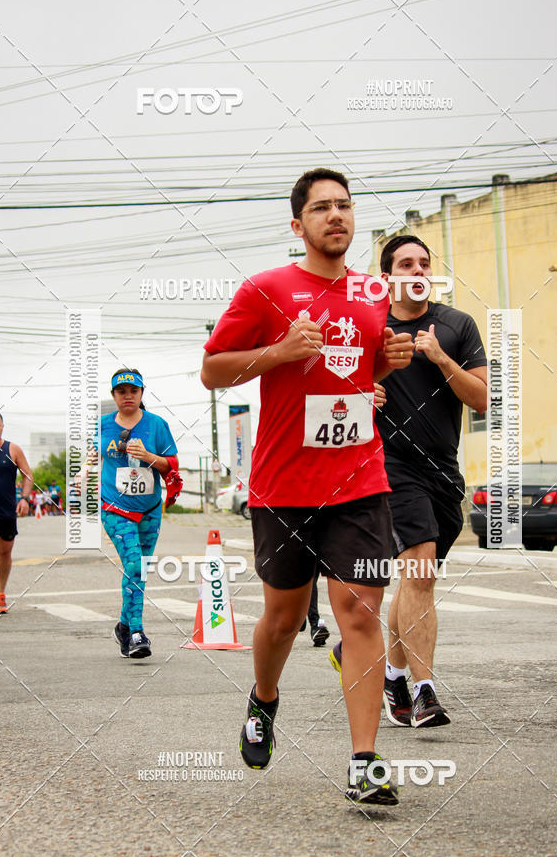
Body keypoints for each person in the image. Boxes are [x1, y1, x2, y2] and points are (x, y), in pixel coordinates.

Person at [201, 167, 415, 805]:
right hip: (284, 486)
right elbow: (212, 369)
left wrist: (385, 364)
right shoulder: (267, 289)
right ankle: (264, 697)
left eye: (344, 206)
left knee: (359, 612)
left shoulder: (374, 293)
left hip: (360, 480)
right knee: (285, 619)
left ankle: (364, 762)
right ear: (298, 225)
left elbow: (359, 367)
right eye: (321, 208)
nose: (335, 216)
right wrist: (280, 352)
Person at [331, 236, 487, 728]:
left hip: (444, 470)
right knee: (418, 573)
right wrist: (361, 393)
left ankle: (394, 674)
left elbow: (483, 399)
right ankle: (424, 691)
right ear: (388, 276)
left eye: (424, 262)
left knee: (416, 582)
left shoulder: (457, 325)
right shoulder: (369, 326)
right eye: (405, 263)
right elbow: (328, 396)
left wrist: (441, 359)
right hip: (389, 467)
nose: (416, 269)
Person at [89, 369, 178, 658]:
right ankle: (138, 631)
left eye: (133, 391)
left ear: (141, 394)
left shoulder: (156, 425)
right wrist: (89, 462)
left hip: (150, 509)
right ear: (114, 395)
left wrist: (150, 457)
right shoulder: (102, 425)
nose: (128, 396)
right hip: (114, 507)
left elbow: (172, 466)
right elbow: (92, 456)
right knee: (134, 562)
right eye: (121, 391)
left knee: (138, 568)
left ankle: (124, 627)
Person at [0, 412, 33, 613]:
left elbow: (28, 474)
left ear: (2, 427)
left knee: (4, 552)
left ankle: (0, 593)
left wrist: (25, 499)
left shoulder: (12, 449)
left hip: (5, 510)